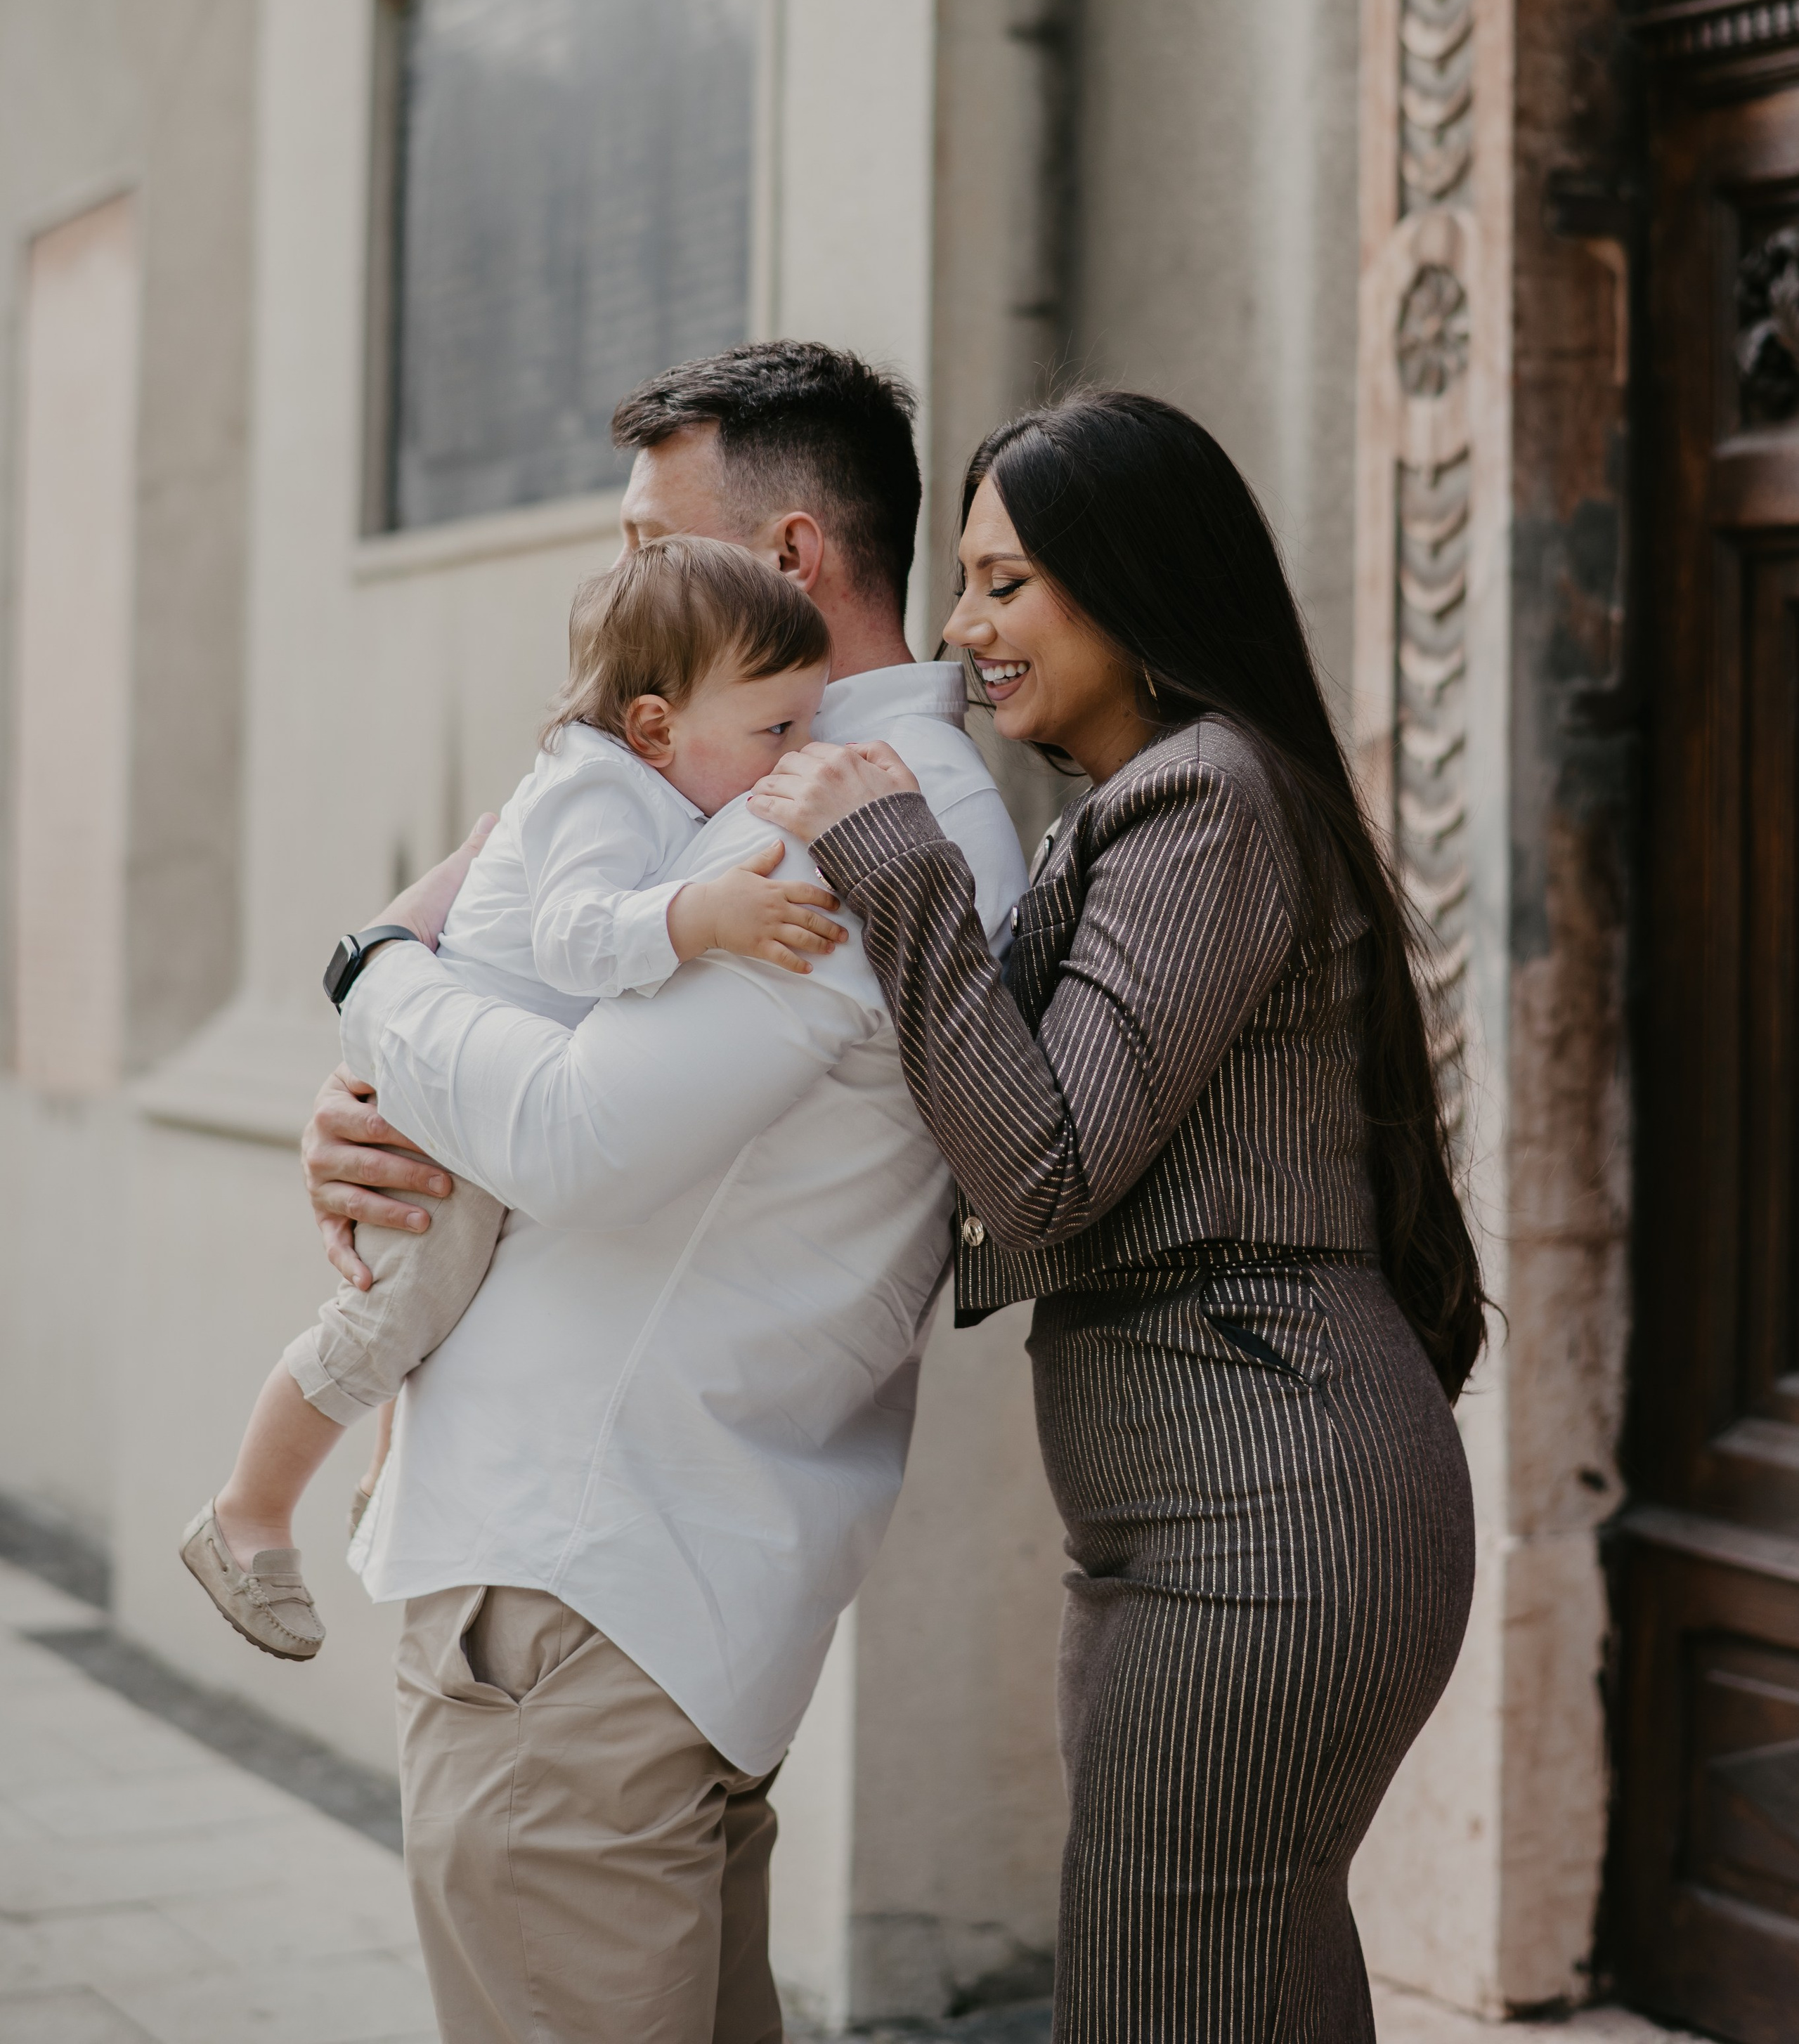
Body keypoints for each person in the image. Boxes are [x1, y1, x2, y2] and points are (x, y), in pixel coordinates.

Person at [299, 343, 1028, 2044]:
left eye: (644, 546)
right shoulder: (709, 790)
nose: (614, 594)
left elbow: (562, 1134)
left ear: (778, 561)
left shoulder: (836, 814)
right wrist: (367, 1076)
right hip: (630, 1586)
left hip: (584, 1594)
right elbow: (512, 981)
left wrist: (368, 980)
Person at [748, 390, 1483, 2044]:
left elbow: (1045, 1166)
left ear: (1130, 584)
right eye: (961, 583)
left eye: (1004, 583)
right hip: (1215, 1508)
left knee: (1162, 1993)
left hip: (1264, 1515)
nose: (959, 627)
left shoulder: (1204, 796)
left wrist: (887, 848)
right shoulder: (1158, 805)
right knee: (1246, 1982)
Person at [181, 539, 840, 1666]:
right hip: (444, 1103)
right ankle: (247, 1513)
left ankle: (387, 1482)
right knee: (390, 1314)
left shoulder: (653, 781)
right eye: (776, 730)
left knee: (450, 1302)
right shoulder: (600, 788)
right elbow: (575, 939)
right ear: (653, 726)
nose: (800, 749)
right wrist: (707, 918)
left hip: (468, 1091)